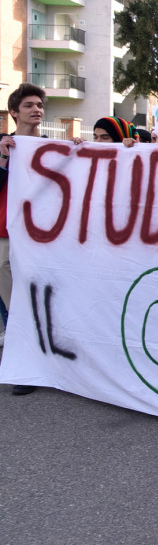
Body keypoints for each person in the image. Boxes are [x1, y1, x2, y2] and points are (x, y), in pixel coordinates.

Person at [0, 83, 48, 395]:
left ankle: (36, 364)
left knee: (37, 301)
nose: (36, 109)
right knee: (16, 304)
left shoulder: (52, 148)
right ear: (15, 112)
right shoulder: (3, 146)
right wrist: (3, 161)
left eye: (39, 105)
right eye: (29, 105)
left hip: (43, 239)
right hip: (5, 237)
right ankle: (23, 368)